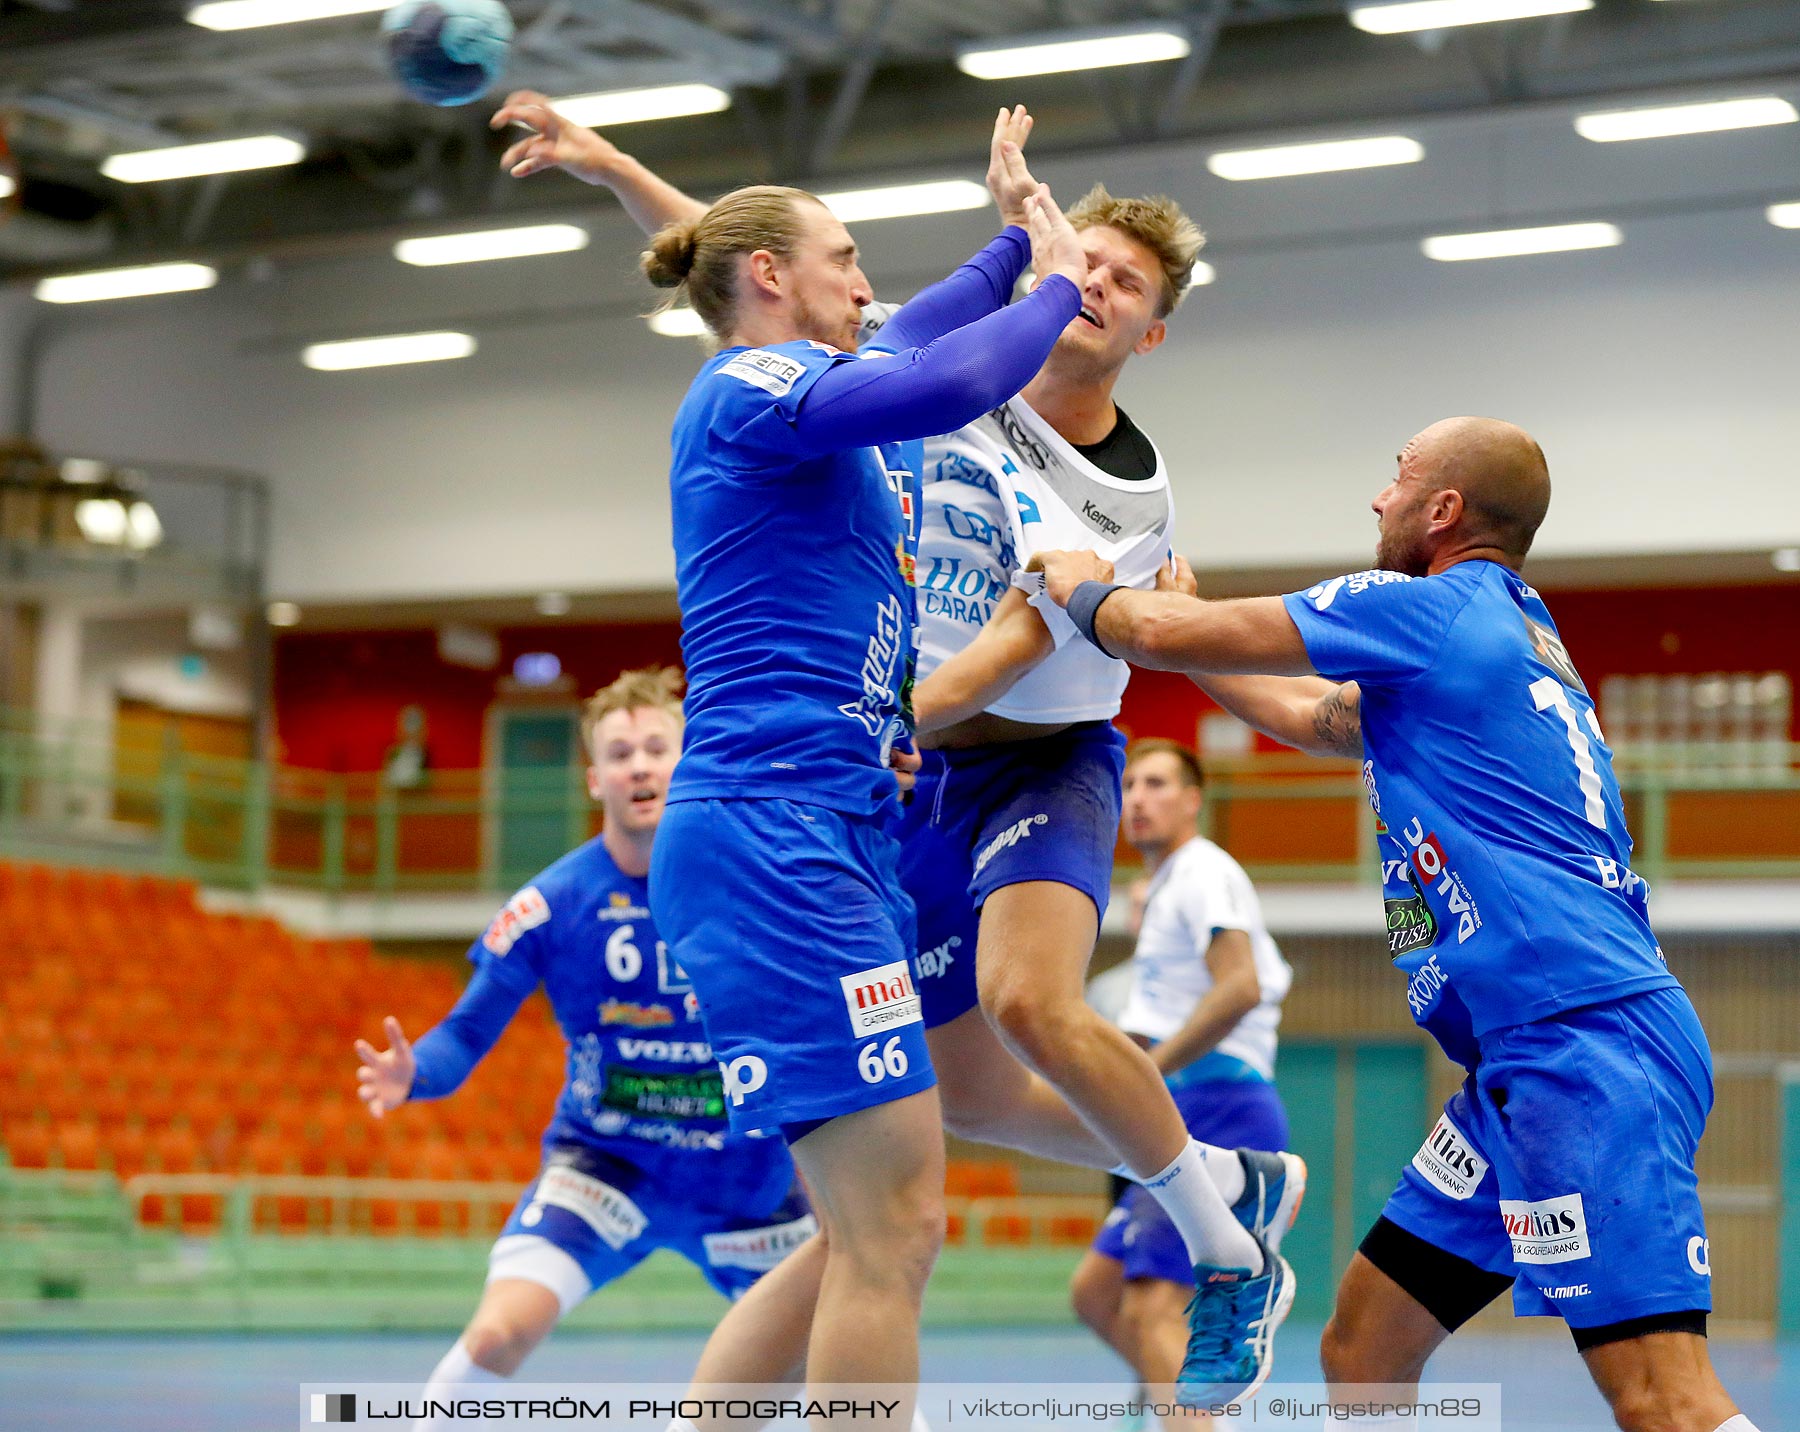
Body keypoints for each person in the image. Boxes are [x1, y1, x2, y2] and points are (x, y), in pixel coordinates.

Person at [489, 93, 1300, 1405]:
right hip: (775, 836)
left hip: (835, 833)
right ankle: (1217, 1207)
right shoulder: (760, 384)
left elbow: (921, 329)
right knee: (890, 1231)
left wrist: (1010, 240)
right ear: (771, 280)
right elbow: (952, 369)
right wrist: (1041, 280)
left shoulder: (817, 375)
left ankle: (1210, 1195)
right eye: (845, 260)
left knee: (873, 1222)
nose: (867, 284)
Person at [1031, 416, 1760, 1432]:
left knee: (1659, 1396)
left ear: (1443, 509)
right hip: (1519, 1066)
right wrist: (1181, 628)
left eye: (1398, 478)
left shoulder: (1428, 608)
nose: (1380, 498)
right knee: (1364, 1348)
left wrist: (1080, 584)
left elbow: (1147, 635)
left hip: (1583, 1045)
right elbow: (1300, 713)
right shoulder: (1499, 636)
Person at [352, 668, 817, 1422]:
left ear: (687, 759)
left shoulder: (757, 886)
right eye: (621, 751)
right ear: (594, 776)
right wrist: (416, 1074)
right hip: (607, 1168)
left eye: (656, 748)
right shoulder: (551, 903)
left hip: (750, 1185)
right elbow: (467, 1032)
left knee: (835, 1364)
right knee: (501, 1332)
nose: (639, 764)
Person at [1068, 739, 1297, 1404]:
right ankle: (1184, 1409)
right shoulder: (1162, 888)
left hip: (1221, 1103)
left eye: (1158, 783)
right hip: (1177, 1100)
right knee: (1097, 1293)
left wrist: (1143, 1073)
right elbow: (1151, 1018)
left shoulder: (1202, 872)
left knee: (1152, 1308)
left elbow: (1241, 988)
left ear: (1194, 800)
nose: (1138, 797)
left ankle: (1183, 1409)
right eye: (1130, 784)